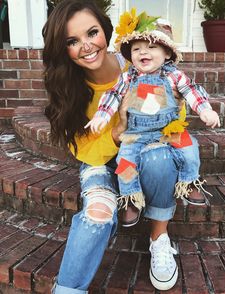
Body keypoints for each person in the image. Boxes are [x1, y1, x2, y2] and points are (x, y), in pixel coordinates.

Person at [43, 0, 193, 292]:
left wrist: (170, 105)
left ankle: (158, 237)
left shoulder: (136, 62)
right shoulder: (69, 87)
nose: (86, 46)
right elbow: (83, 151)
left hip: (145, 149)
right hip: (99, 159)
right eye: (72, 41)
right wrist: (118, 130)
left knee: (160, 157)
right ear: (63, 50)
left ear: (106, 30)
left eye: (92, 33)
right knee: (97, 210)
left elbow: (174, 114)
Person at [85, 10, 220, 226]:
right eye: (136, 49)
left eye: (150, 48)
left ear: (166, 54)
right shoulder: (128, 77)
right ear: (131, 57)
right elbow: (113, 95)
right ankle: (131, 197)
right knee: (124, 162)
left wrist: (204, 110)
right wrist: (103, 115)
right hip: (135, 134)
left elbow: (191, 90)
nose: (142, 52)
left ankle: (189, 181)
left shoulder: (173, 75)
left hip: (168, 130)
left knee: (189, 147)